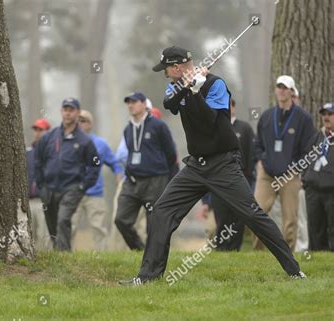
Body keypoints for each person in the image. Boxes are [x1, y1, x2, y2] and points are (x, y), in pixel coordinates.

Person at [119, 46, 304, 285]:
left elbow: (210, 121)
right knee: (162, 210)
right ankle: (147, 278)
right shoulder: (176, 86)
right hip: (196, 166)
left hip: (223, 164)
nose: (164, 73)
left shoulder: (216, 85)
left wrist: (197, 90)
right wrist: (190, 86)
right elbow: (169, 103)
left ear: (176, 67)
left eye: (166, 68)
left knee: (252, 214)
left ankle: (294, 271)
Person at [253, 75, 315, 250]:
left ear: (291, 91)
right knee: (257, 214)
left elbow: (308, 149)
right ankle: (257, 255)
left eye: (285, 87)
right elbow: (258, 144)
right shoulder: (266, 116)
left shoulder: (304, 118)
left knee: (290, 219)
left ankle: (287, 256)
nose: (281, 90)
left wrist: (297, 168)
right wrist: (260, 160)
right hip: (267, 174)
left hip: (290, 175)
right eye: (279, 87)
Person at [34, 98, 100, 251]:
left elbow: (95, 164)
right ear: (61, 112)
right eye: (65, 109)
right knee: (52, 224)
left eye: (71, 110)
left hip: (72, 187)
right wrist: (40, 184)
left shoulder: (84, 140)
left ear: (77, 113)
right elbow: (38, 160)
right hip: (49, 188)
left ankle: (63, 254)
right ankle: (60, 252)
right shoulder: (49, 137)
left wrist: (83, 186)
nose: (68, 113)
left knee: (63, 219)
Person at [114, 91, 177, 251]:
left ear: (143, 104)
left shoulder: (158, 125)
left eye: (134, 102)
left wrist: (170, 179)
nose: (130, 105)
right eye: (128, 102)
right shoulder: (128, 129)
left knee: (154, 224)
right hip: (132, 181)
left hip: (155, 180)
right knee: (121, 219)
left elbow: (170, 154)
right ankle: (139, 249)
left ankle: (152, 257)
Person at [71, 110, 123, 251]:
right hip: (73, 192)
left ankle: (102, 257)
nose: (80, 124)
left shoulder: (100, 144)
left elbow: (114, 162)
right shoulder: (69, 141)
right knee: (69, 226)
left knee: (98, 228)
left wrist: (119, 173)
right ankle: (65, 257)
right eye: (78, 121)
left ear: (90, 124)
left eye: (84, 121)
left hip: (95, 193)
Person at [211, 98, 256, 251]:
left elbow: (251, 156)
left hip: (239, 180)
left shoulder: (245, 128)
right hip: (218, 181)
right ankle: (221, 249)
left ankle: (235, 248)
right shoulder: (214, 127)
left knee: (239, 218)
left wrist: (249, 181)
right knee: (221, 218)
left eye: (228, 105)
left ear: (234, 107)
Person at [302, 102, 334, 251]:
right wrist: (305, 179)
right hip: (313, 190)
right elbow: (306, 158)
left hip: (331, 190)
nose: (326, 118)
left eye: (330, 114)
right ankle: (317, 258)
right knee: (315, 227)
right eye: (324, 115)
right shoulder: (317, 137)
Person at [26, 118, 51, 249]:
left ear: (48, 132)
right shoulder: (27, 152)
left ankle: (45, 259)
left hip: (44, 200)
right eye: (36, 129)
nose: (37, 133)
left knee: (43, 233)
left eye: (41, 130)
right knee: (30, 231)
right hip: (29, 200)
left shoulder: (52, 153)